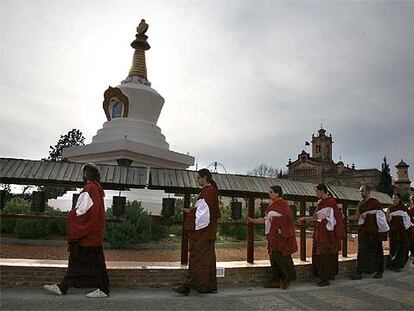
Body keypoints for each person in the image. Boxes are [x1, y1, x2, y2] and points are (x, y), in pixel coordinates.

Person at [43, 163, 109, 298]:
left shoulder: (89, 189)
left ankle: (102, 289)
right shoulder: (97, 189)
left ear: (85, 175)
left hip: (86, 235)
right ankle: (65, 287)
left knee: (78, 261)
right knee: (91, 263)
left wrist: (71, 214)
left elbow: (82, 212)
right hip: (94, 233)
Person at [173, 168, 220, 295]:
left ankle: (186, 286)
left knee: (196, 259)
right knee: (207, 260)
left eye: (198, 178)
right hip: (207, 233)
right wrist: (184, 210)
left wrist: (193, 225)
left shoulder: (208, 191)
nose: (197, 180)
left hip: (202, 233)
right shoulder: (209, 192)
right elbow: (199, 211)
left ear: (205, 178)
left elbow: (203, 216)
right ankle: (207, 286)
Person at [247, 186, 297, 289]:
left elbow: (288, 220)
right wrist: (252, 220)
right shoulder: (272, 205)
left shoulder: (283, 204)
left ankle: (286, 278)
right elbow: (266, 219)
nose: (269, 194)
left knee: (280, 257)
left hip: (280, 236)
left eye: (271, 192)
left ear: (277, 194)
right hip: (272, 236)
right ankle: (276, 280)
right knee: (273, 257)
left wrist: (278, 224)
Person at [299, 183, 345, 286]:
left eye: (317, 191)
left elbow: (317, 217)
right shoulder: (323, 203)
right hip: (323, 233)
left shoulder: (329, 203)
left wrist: (305, 218)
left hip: (327, 234)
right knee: (324, 254)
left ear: (322, 191)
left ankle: (325, 278)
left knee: (324, 255)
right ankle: (327, 276)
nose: (316, 193)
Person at [348, 185, 389, 280]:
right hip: (364, 231)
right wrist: (346, 218)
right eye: (360, 191)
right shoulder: (361, 204)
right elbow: (357, 216)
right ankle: (359, 272)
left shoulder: (375, 202)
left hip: (374, 231)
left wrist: (368, 215)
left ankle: (379, 271)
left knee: (377, 251)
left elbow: (380, 216)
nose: (361, 193)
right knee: (362, 251)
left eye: (362, 191)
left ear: (367, 191)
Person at [386, 193, 412, 271]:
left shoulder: (403, 208)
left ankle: (399, 265)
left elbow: (408, 220)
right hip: (393, 232)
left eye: (396, 198)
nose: (394, 200)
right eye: (393, 198)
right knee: (393, 248)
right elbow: (388, 220)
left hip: (402, 232)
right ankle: (392, 264)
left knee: (402, 248)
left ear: (399, 199)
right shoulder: (390, 208)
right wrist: (387, 214)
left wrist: (405, 230)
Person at [408, 194, 414, 264]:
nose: (412, 199)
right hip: (410, 225)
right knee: (411, 239)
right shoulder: (410, 206)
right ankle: (412, 252)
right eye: (412, 198)